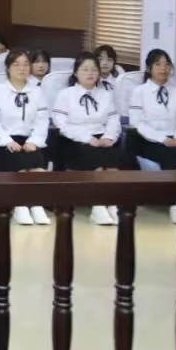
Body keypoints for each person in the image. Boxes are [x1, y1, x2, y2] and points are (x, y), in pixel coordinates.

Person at [129, 49, 176, 224]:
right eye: (158, 64)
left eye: (167, 64)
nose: (164, 68)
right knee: (170, 157)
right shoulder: (140, 92)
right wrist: (164, 139)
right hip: (148, 140)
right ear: (149, 68)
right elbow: (137, 123)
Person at [51, 51, 124, 226]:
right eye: (85, 69)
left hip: (101, 138)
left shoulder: (106, 94)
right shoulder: (66, 95)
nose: (90, 73)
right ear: (76, 73)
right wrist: (87, 138)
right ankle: (98, 205)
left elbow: (114, 120)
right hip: (73, 140)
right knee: (96, 159)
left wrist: (109, 137)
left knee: (115, 158)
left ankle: (112, 204)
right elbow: (61, 124)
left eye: (93, 69)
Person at [0, 49, 51, 225]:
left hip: (29, 140)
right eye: (17, 64)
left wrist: (34, 141)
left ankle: (36, 205)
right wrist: (7, 141)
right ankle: (20, 206)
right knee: (18, 163)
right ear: (8, 68)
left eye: (26, 64)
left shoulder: (37, 92)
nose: (22, 68)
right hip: (3, 141)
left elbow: (42, 121)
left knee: (37, 166)